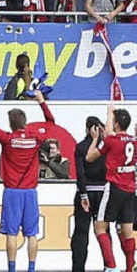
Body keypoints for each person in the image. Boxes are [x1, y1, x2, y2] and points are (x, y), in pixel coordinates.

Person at [0, 86, 55, 272]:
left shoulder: (7, 139)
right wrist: (41, 100)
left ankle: (12, 269)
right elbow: (50, 121)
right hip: (30, 191)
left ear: (11, 124)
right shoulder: (35, 138)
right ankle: (31, 268)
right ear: (25, 122)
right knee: (32, 234)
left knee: (11, 233)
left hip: (12, 191)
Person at [86, 105, 137, 272]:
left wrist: (108, 115)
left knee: (100, 226)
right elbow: (111, 133)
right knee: (127, 231)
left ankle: (111, 267)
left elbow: (90, 157)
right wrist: (111, 117)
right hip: (130, 190)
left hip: (114, 187)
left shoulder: (110, 141)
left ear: (115, 124)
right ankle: (131, 268)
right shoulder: (134, 142)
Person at [71, 116, 106, 272]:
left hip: (85, 193)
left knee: (81, 232)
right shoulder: (105, 148)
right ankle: (109, 266)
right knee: (104, 233)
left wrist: (83, 194)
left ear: (88, 129)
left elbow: (80, 172)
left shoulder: (81, 147)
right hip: (103, 193)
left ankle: (78, 269)